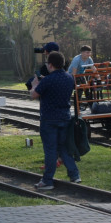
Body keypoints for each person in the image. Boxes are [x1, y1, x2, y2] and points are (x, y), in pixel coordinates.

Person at [30, 50, 81, 189]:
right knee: (64, 148)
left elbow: (34, 95)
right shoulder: (70, 78)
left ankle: (47, 181)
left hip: (49, 120)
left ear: (51, 65)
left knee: (51, 150)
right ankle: (75, 175)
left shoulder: (47, 80)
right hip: (65, 117)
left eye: (47, 63)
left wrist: (35, 84)